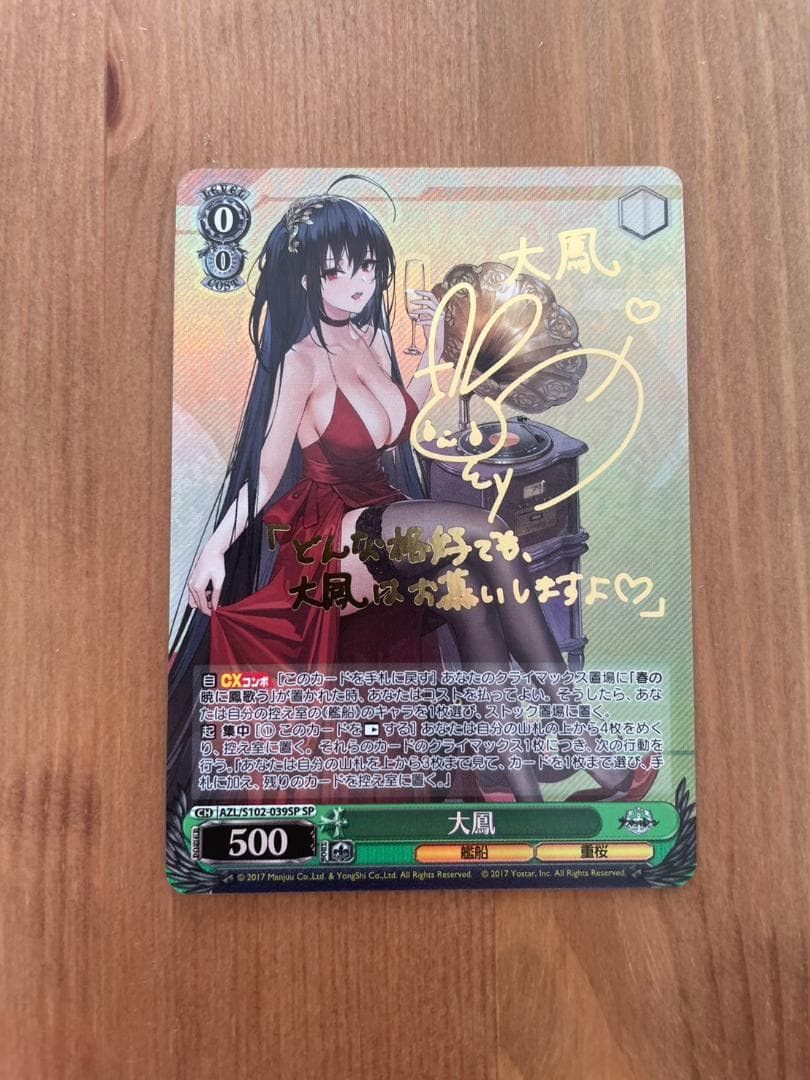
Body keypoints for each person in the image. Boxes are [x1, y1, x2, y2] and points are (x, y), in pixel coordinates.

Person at [168, 175, 650, 806]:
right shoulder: (298, 361)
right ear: (307, 278)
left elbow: (402, 413)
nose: (358, 282)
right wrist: (214, 548)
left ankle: (527, 800)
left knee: (471, 599)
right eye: (337, 270)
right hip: (327, 539)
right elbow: (264, 472)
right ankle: (583, 739)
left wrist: (435, 344)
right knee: (492, 534)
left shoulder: (372, 338)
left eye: (367, 265)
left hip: (381, 513)